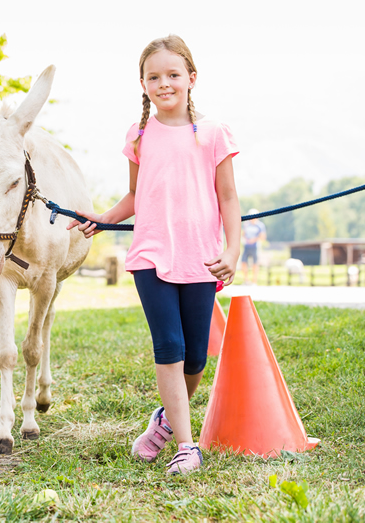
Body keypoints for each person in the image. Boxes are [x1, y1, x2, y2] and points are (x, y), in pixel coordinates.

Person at [68, 35, 241, 474]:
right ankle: (187, 447)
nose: (164, 83)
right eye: (153, 76)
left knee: (196, 358)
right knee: (169, 346)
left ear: (191, 79)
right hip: (151, 255)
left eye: (173, 75)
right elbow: (134, 194)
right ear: (143, 84)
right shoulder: (140, 134)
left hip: (200, 257)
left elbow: (229, 198)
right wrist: (104, 218)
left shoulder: (214, 133)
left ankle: (164, 421)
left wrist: (233, 250)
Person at [241, 210, 266, 285]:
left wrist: (254, 239)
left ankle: (254, 281)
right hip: (246, 246)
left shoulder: (260, 225)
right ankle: (246, 280)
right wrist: (246, 239)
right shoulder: (246, 224)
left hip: (255, 246)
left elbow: (263, 237)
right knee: (243, 262)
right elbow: (243, 234)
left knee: (255, 263)